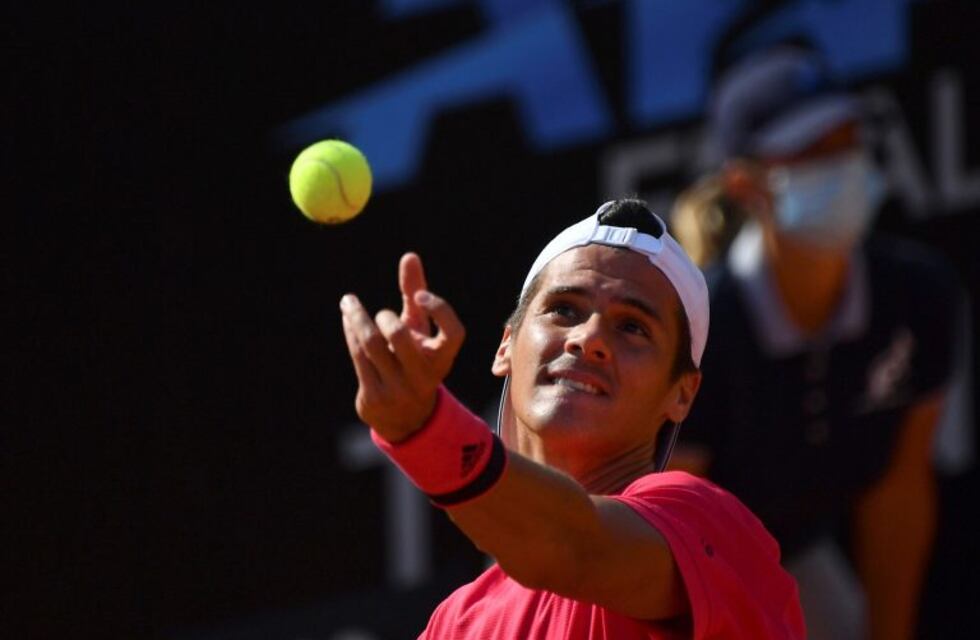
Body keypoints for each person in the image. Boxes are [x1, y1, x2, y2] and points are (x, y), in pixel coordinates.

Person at [338, 198, 805, 638]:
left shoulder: (707, 522)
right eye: (564, 309)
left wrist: (424, 429)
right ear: (506, 347)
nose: (589, 338)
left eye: (632, 327)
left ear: (682, 394)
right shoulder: (456, 621)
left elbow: (567, 549)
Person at [672, 47, 963, 640]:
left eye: (848, 142)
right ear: (746, 184)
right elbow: (667, 529)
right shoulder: (700, 330)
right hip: (676, 570)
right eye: (813, 152)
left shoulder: (919, 297)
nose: (843, 166)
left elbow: (897, 499)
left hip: (795, 557)